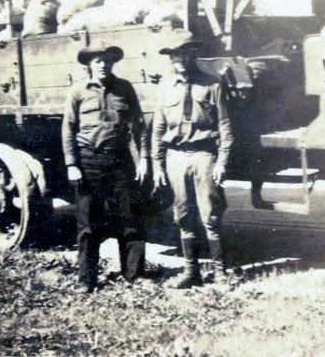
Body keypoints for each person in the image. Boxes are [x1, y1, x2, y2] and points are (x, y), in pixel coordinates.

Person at [62, 42, 150, 293]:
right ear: (89, 64)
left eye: (108, 60)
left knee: (130, 219)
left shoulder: (124, 88)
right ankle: (86, 280)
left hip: (120, 161)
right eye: (98, 60)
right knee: (89, 225)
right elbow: (68, 129)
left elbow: (139, 126)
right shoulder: (78, 91)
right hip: (89, 160)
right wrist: (72, 164)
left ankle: (134, 274)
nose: (103, 64)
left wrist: (143, 158)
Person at [152, 29, 234, 288]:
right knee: (183, 214)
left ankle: (220, 273)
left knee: (211, 215)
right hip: (176, 157)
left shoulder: (211, 84)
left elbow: (225, 126)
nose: (178, 60)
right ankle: (191, 272)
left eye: (182, 54)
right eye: (173, 55)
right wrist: (157, 163)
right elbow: (157, 128)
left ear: (192, 54)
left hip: (204, 155)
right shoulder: (165, 87)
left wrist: (222, 161)